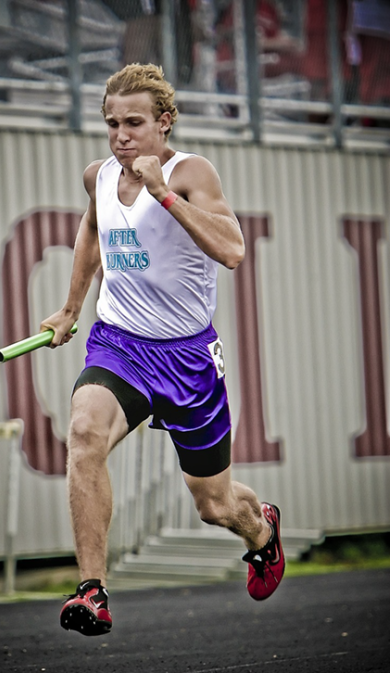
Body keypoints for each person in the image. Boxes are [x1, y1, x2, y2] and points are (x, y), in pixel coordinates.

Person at [40, 63, 285, 637]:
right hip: (120, 344)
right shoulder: (98, 176)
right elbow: (94, 232)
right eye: (111, 124)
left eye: (134, 123)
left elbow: (232, 250)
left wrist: (162, 192)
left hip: (188, 358)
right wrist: (72, 309)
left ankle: (262, 532)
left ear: (165, 123)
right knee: (84, 431)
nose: (121, 136)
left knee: (215, 504)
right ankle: (92, 590)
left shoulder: (190, 172)